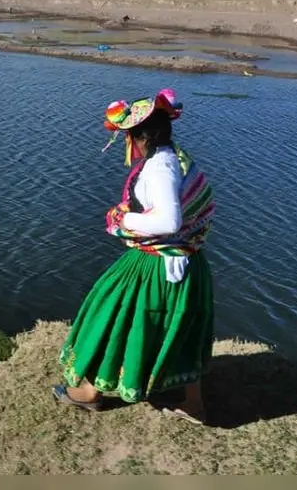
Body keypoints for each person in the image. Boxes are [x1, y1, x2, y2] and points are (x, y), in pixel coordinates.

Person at [53, 88, 215, 425]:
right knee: (181, 327)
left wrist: (122, 218)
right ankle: (194, 402)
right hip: (189, 263)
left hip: (156, 265)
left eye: (128, 138)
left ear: (137, 138)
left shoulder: (159, 169)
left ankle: (91, 393)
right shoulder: (178, 157)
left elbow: (168, 221)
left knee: (110, 312)